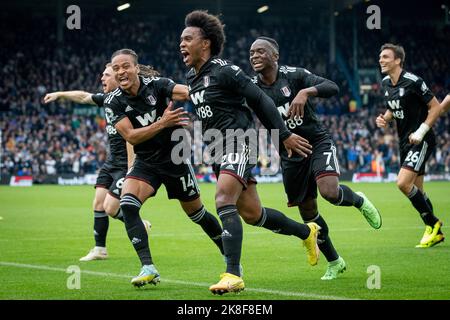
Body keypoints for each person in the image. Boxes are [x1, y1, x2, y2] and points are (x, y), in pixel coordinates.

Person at [180, 10, 321, 295]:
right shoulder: (192, 77)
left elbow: (259, 100)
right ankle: (307, 232)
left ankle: (233, 274)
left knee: (222, 199)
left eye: (187, 39)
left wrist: (283, 135)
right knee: (253, 214)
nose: (181, 44)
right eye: (181, 39)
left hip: (239, 141)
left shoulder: (225, 70)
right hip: (217, 149)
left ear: (205, 43)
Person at [249, 36, 382, 280]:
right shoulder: (251, 86)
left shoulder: (295, 75)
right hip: (290, 155)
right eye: (251, 53)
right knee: (309, 214)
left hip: (316, 143)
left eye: (260, 52)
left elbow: (333, 87)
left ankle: (358, 201)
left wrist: (305, 92)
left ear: (275, 56)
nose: (254, 56)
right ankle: (335, 261)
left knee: (329, 192)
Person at [104, 48, 226, 288]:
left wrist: (220, 92)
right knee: (127, 205)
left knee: (197, 214)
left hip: (175, 159)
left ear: (136, 68)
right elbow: (131, 136)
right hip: (146, 161)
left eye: (125, 66)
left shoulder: (157, 85)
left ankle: (228, 256)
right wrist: (162, 123)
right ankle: (148, 267)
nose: (121, 71)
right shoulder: (113, 100)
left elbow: (189, 92)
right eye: (116, 68)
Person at [43, 64, 152, 261]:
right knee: (98, 203)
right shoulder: (108, 99)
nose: (102, 78)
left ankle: (138, 223)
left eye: (106, 75)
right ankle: (100, 249)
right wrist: (60, 93)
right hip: (111, 162)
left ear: (117, 79)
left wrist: (130, 169)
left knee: (111, 207)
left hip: (124, 164)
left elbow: (131, 139)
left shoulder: (125, 101)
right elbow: (84, 96)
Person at [376, 43, 444, 248]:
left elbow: (436, 107)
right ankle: (437, 233)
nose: (381, 60)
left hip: (421, 139)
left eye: (386, 57)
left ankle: (432, 223)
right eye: (380, 57)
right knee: (419, 192)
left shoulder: (414, 81)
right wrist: (385, 118)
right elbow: (393, 107)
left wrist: (421, 131)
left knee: (403, 183)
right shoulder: (386, 82)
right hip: (404, 141)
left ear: (397, 60)